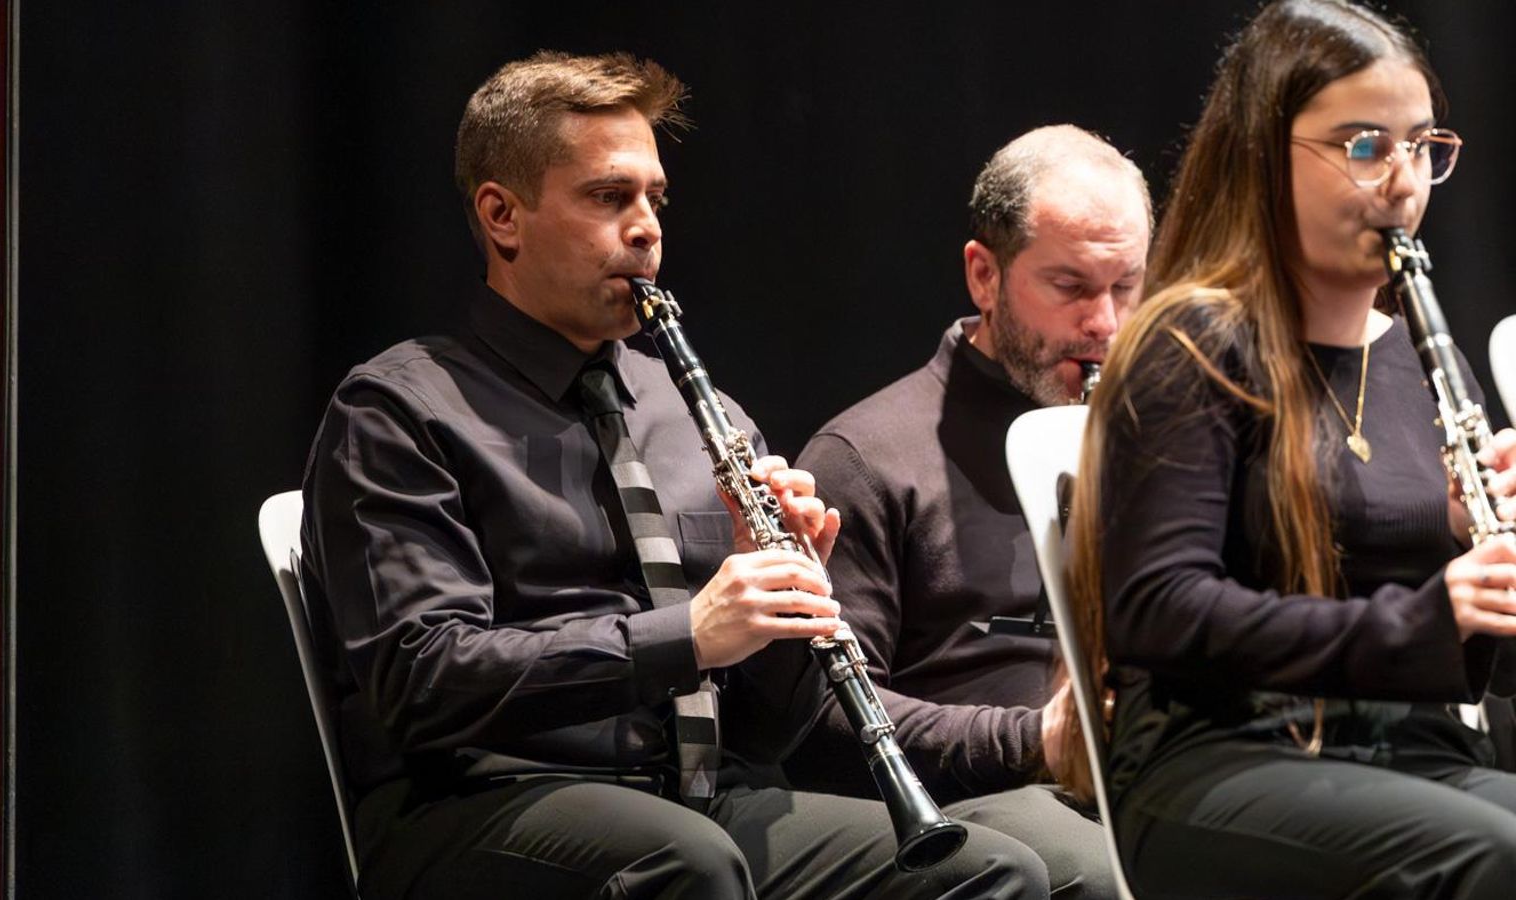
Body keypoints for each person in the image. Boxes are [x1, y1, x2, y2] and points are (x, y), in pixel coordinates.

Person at [299, 50, 1047, 900]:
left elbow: (764, 732)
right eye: (608, 197)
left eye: (655, 198)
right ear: (503, 216)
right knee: (685, 863)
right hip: (479, 803)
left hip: (701, 800)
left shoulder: (701, 413)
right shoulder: (400, 409)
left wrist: (785, 614)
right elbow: (420, 677)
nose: (647, 226)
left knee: (988, 874)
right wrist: (688, 633)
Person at [1061, 1, 1516, 897]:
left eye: (1423, 146)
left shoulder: (1425, 357)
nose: (1403, 181)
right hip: (1219, 759)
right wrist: (1425, 615)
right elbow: (1158, 606)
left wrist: (1477, 552)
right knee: (1495, 858)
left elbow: (1464, 648)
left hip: (1406, 752)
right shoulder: (1193, 344)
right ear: (1267, 153)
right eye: (1363, 147)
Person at [785, 126, 1148, 900]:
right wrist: (1034, 741)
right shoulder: (866, 455)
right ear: (984, 276)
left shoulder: (1167, 438)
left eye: (1126, 286)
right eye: (1072, 286)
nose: (1107, 323)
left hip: (1147, 776)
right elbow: (818, 720)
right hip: (979, 804)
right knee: (1106, 876)